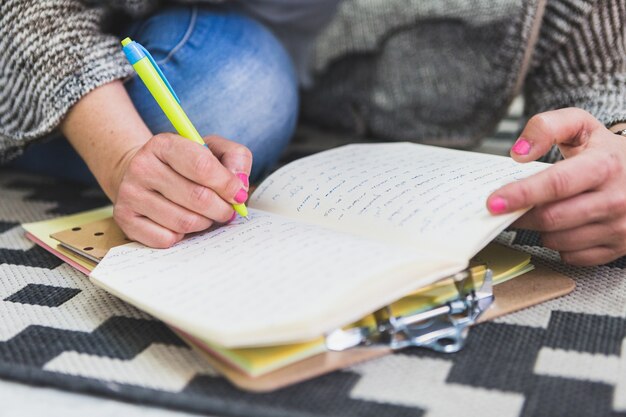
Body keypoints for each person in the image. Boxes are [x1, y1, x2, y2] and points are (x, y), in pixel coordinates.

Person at [1, 0, 625, 266]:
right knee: (235, 93)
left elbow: (599, 60)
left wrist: (616, 148)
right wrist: (122, 155)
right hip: (142, 48)